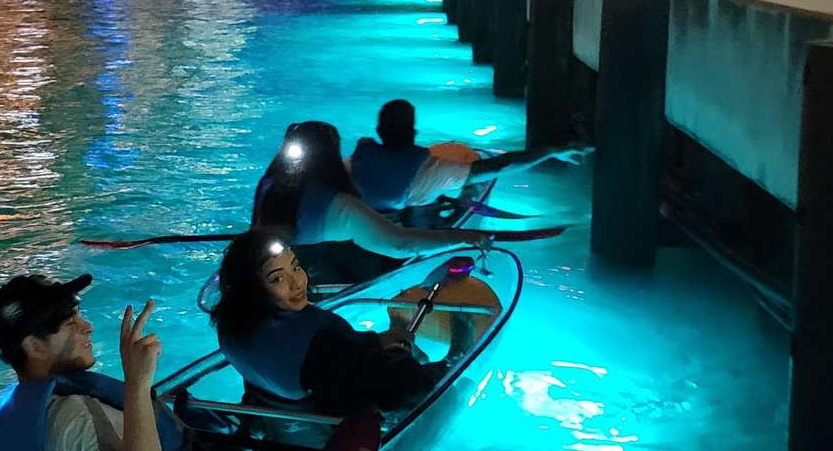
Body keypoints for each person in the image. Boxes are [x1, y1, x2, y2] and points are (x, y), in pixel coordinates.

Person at [208, 229, 440, 414]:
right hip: (331, 411)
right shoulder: (317, 346)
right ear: (253, 290)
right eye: (277, 278)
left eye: (295, 267)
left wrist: (373, 340)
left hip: (282, 404)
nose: (297, 282)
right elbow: (402, 389)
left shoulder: (233, 325)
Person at [0, 272, 179, 451]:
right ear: (35, 346)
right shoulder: (75, 417)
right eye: (70, 323)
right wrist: (138, 383)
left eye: (79, 315)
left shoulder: (15, 409)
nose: (88, 326)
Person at [252, 122, 488, 265]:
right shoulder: (341, 205)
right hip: (330, 270)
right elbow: (400, 245)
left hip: (282, 262)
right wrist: (465, 237)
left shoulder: (268, 184)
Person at [349, 100, 588, 211]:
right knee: (476, 177)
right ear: (413, 133)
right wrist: (551, 151)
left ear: (379, 131)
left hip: (365, 218)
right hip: (408, 221)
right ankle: (466, 200)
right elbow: (502, 165)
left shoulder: (358, 159)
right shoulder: (432, 170)